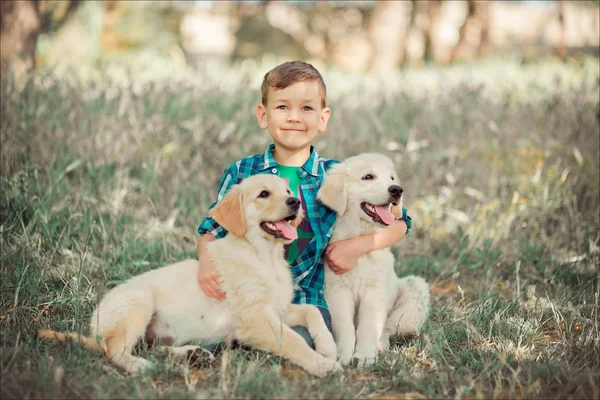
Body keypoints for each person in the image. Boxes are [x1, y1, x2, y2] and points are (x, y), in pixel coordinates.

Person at [196, 60, 412, 350]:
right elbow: (212, 228)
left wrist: (357, 246)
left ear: (323, 119)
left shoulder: (337, 174)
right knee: (209, 323)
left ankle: (255, 337)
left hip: (309, 298)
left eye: (306, 108)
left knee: (302, 338)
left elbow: (402, 221)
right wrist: (206, 262)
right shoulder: (242, 173)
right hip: (250, 290)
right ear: (263, 115)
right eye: (282, 107)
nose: (294, 117)